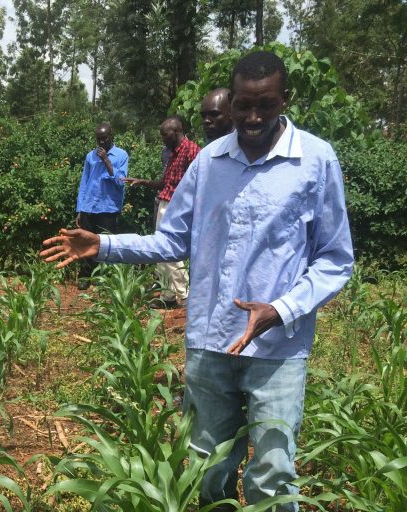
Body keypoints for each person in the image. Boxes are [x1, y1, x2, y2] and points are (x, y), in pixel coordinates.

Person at [40, 50, 354, 511]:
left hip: (278, 350)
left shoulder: (315, 161)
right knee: (208, 470)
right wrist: (103, 246)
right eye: (243, 105)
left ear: (284, 99)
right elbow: (171, 241)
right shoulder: (208, 163)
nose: (252, 116)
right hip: (210, 342)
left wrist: (281, 309)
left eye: (265, 105)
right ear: (231, 105)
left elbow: (335, 258)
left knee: (272, 474)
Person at [123, 115, 200, 308]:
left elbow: (199, 183)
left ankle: (184, 295)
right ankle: (168, 295)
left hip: (179, 205)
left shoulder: (192, 151)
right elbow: (165, 183)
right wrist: (143, 182)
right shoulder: (171, 152)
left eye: (165, 136)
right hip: (165, 202)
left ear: (176, 132)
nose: (162, 140)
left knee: (171, 249)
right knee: (160, 249)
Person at [75, 122, 128, 289]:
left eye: (104, 139)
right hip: (89, 206)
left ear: (111, 136)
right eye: (98, 140)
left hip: (108, 207)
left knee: (107, 244)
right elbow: (84, 182)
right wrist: (80, 208)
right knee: (85, 242)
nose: (101, 143)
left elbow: (121, 181)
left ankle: (104, 279)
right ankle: (85, 276)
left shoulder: (121, 155)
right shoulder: (90, 156)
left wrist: (106, 160)